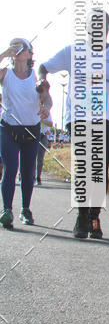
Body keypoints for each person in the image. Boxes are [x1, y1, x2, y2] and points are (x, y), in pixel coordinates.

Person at [38, 12, 109, 239]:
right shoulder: (73, 51)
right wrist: (42, 81)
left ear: (108, 29)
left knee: (99, 170)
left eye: (102, 26)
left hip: (105, 118)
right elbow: (44, 66)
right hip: (77, 117)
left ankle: (94, 215)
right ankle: (81, 215)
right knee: (84, 166)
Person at [0, 39, 51, 228]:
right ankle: (7, 210)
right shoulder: (5, 74)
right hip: (8, 127)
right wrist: (4, 54)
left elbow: (47, 98)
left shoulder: (36, 78)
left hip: (31, 129)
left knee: (27, 173)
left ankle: (25, 209)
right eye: (15, 46)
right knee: (10, 169)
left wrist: (45, 108)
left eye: (23, 47)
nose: (18, 49)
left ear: (30, 54)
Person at [36, 112, 54, 184]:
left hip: (43, 136)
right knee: (31, 158)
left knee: (40, 159)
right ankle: (29, 176)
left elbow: (51, 124)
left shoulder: (47, 112)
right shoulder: (33, 109)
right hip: (33, 135)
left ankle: (38, 177)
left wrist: (42, 120)